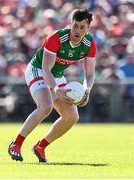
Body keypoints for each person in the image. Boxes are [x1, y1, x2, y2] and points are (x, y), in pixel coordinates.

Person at [8, 9, 97, 162]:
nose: (77, 30)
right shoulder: (57, 37)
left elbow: (89, 74)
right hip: (38, 70)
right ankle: (15, 145)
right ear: (71, 24)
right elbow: (46, 69)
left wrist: (87, 91)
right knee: (45, 107)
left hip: (55, 75)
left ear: (88, 29)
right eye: (75, 26)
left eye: (82, 27)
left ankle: (40, 146)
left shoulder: (89, 43)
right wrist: (57, 89)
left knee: (71, 116)